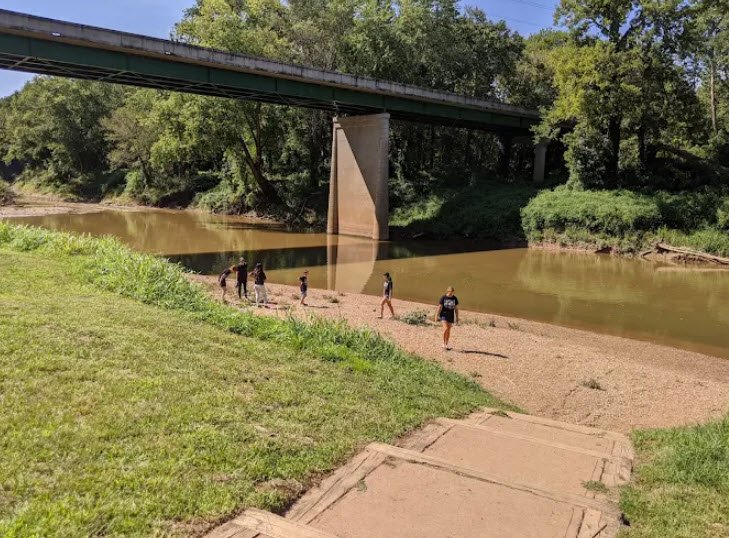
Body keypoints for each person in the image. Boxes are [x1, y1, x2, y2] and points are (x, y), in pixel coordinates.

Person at [435, 286, 459, 350]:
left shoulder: (455, 298)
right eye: (450, 292)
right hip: (443, 315)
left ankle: (446, 343)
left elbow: (456, 309)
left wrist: (457, 318)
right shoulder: (443, 297)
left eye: (452, 292)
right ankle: (443, 343)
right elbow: (439, 307)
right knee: (445, 329)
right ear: (447, 291)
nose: (451, 293)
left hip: (451, 316)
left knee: (448, 330)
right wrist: (436, 316)